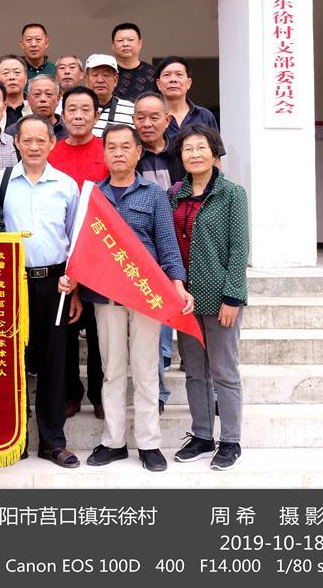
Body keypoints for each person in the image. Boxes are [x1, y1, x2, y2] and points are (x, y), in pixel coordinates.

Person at [83, 124, 193, 473]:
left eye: (124, 147)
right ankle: (113, 441)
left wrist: (177, 283)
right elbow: (81, 246)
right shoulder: (92, 196)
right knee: (112, 371)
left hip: (146, 296)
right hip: (105, 296)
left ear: (137, 152)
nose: (118, 153)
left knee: (146, 371)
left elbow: (168, 245)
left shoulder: (154, 195)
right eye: (111, 147)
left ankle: (149, 444)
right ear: (103, 153)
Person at [0, 116, 82, 468]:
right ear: (16, 143)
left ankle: (52, 442)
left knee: (53, 364)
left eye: (40, 140)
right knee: (10, 362)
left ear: (51, 143)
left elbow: (75, 240)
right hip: (11, 284)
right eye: (26, 140)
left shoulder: (66, 185)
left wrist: (74, 285)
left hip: (56, 284)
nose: (33, 147)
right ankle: (13, 439)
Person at [170, 125, 248, 471]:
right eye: (188, 149)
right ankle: (202, 435)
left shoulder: (232, 193)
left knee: (224, 371)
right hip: (184, 299)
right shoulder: (176, 194)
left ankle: (230, 441)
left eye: (201, 147)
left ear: (214, 153)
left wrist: (233, 297)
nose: (195, 154)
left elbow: (239, 248)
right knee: (194, 372)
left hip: (220, 299)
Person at [48, 87, 108, 420]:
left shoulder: (107, 149)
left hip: (100, 255)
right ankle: (72, 393)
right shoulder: (52, 152)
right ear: (62, 114)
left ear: (97, 116)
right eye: (72, 109)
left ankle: (99, 394)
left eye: (86, 109)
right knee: (66, 329)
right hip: (63, 255)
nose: (79, 116)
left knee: (99, 332)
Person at [134, 91, 186, 414]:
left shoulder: (182, 153)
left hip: (179, 242)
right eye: (141, 117)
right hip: (143, 251)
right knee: (155, 319)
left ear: (167, 120)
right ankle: (159, 391)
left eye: (154, 117)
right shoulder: (129, 153)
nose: (147, 123)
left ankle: (165, 379)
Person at [155, 56, 220, 140]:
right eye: (167, 75)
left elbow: (215, 148)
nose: (173, 79)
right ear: (158, 84)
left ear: (189, 83)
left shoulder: (205, 116)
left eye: (179, 74)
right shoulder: (153, 118)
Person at [85, 53, 135, 137]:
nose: (100, 80)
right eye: (95, 75)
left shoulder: (130, 109)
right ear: (87, 80)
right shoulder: (76, 109)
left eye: (106, 75)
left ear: (115, 80)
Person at [111, 23, 157, 101]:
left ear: (140, 44)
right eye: (120, 40)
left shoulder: (154, 73)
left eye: (130, 40)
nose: (125, 44)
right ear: (113, 45)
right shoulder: (107, 72)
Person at [14, 74, 67, 139]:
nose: (43, 99)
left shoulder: (69, 130)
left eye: (49, 94)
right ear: (28, 100)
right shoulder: (15, 131)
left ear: (58, 99)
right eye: (37, 94)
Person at [0, 55, 30, 131]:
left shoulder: (34, 108)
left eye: (17, 72)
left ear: (26, 79)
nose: (12, 77)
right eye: (6, 73)